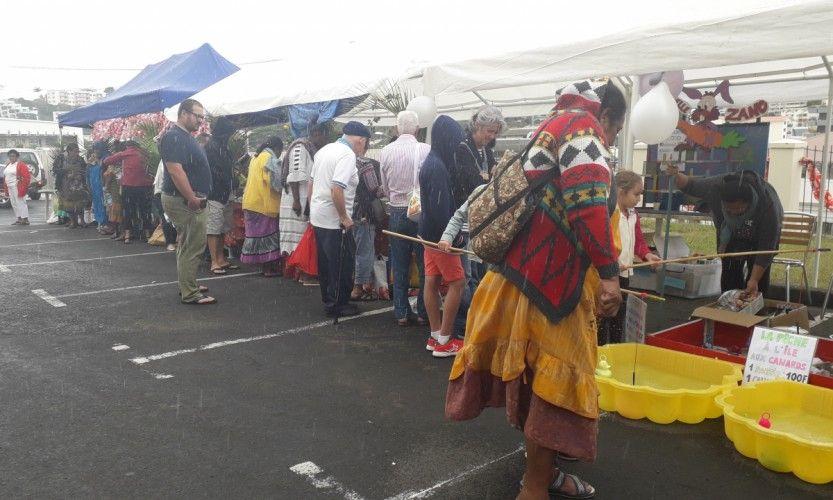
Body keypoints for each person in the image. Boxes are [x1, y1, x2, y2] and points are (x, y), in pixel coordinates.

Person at [445, 79, 628, 500]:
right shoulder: (583, 130)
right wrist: (609, 274)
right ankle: (534, 487)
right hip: (548, 292)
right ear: (606, 117)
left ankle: (542, 474)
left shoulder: (552, 125)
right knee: (551, 391)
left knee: (535, 385)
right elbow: (587, 204)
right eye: (615, 130)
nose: (611, 140)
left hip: (515, 279)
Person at [665, 165, 784, 297]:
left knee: (757, 284)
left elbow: (766, 249)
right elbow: (691, 185)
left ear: (749, 203)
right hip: (729, 235)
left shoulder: (768, 206)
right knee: (729, 275)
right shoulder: (716, 187)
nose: (733, 213)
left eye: (738, 209)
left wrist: (754, 280)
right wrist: (675, 174)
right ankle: (729, 306)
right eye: (728, 209)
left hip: (759, 239)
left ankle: (756, 307)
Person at [309, 121, 370, 318]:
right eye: (365, 143)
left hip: (319, 214)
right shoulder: (347, 155)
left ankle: (329, 299)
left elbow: (311, 184)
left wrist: (313, 207)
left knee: (326, 263)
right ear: (360, 140)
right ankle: (338, 303)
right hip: (334, 218)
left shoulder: (324, 150)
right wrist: (344, 217)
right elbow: (337, 188)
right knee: (342, 262)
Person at [418, 115, 467, 358]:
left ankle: (436, 335)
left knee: (432, 281)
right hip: (440, 237)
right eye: (456, 141)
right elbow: (440, 210)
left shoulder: (431, 161)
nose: (458, 146)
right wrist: (454, 238)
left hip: (427, 234)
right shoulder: (437, 167)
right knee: (458, 283)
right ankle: (446, 340)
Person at [160, 98, 215, 305]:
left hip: (186, 198)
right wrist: (191, 197)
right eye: (197, 116)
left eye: (202, 117)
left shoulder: (182, 136)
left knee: (187, 243)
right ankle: (190, 293)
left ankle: (187, 284)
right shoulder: (174, 137)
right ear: (183, 113)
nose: (200, 120)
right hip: (184, 200)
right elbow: (176, 170)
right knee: (193, 244)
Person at [597, 171, 661, 345]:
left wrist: (647, 254)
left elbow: (638, 241)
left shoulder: (633, 214)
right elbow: (604, 243)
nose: (639, 199)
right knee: (603, 318)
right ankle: (600, 351)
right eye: (636, 194)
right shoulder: (609, 212)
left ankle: (616, 349)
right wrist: (614, 263)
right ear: (621, 192)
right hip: (608, 276)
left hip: (624, 275)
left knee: (619, 318)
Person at [379, 110, 431, 326]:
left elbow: (384, 186)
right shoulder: (426, 149)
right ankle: (423, 312)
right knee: (424, 264)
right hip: (419, 211)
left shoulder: (385, 151)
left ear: (396, 128)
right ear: (417, 129)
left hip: (396, 211)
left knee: (399, 264)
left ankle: (401, 312)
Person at [279, 121, 329, 282]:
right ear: (316, 134)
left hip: (304, 199)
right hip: (296, 201)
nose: (325, 140)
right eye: (324, 136)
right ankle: (300, 272)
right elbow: (294, 175)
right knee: (299, 237)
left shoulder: (310, 149)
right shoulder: (300, 147)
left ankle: (303, 272)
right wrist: (296, 201)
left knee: (302, 237)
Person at [241, 136, 284, 277]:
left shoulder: (256, 157)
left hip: (250, 202)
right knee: (268, 237)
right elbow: (275, 182)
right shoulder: (269, 158)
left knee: (256, 236)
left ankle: (262, 266)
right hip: (263, 204)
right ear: (277, 148)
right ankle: (268, 269)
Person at [205, 117, 239, 274]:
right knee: (214, 228)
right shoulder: (211, 147)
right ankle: (214, 261)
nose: (229, 136)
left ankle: (220, 258)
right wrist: (228, 180)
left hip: (224, 192)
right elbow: (214, 171)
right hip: (215, 194)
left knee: (222, 227)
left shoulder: (223, 147)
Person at [102, 140, 153, 244]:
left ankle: (127, 236)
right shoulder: (144, 154)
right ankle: (147, 234)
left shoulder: (125, 153)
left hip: (129, 186)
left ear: (127, 146)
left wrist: (118, 157)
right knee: (144, 211)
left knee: (128, 211)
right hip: (144, 186)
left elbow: (106, 161)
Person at [351, 155, 384, 301]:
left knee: (352, 250)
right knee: (364, 251)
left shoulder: (343, 161)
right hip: (363, 213)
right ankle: (358, 286)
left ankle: (353, 283)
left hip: (347, 212)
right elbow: (374, 190)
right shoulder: (365, 164)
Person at [52, 143, 91, 229]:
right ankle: (73, 221)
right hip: (66, 184)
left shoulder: (80, 159)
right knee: (68, 203)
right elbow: (55, 170)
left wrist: (81, 175)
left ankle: (82, 221)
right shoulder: (61, 158)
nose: (77, 153)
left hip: (78, 184)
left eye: (78, 151)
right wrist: (66, 171)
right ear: (69, 151)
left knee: (80, 202)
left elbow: (85, 170)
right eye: (75, 151)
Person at [152, 159, 177, 251]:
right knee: (166, 217)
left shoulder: (169, 158)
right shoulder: (168, 159)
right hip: (162, 192)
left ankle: (173, 241)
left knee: (172, 217)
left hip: (167, 191)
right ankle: (170, 242)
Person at [3, 149, 31, 225]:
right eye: (10, 156)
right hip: (9, 187)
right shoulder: (8, 165)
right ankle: (19, 218)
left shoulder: (21, 164)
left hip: (17, 187)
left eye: (13, 156)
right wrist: (6, 188)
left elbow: (26, 177)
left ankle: (25, 219)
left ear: (17, 157)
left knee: (21, 202)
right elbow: (6, 176)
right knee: (14, 203)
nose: (11, 158)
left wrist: (23, 186)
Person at [85, 149, 108, 232]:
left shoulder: (101, 164)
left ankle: (104, 223)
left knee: (103, 205)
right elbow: (87, 178)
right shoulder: (89, 166)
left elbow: (103, 175)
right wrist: (89, 188)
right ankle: (100, 222)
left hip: (101, 187)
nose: (93, 156)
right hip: (94, 188)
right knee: (97, 205)